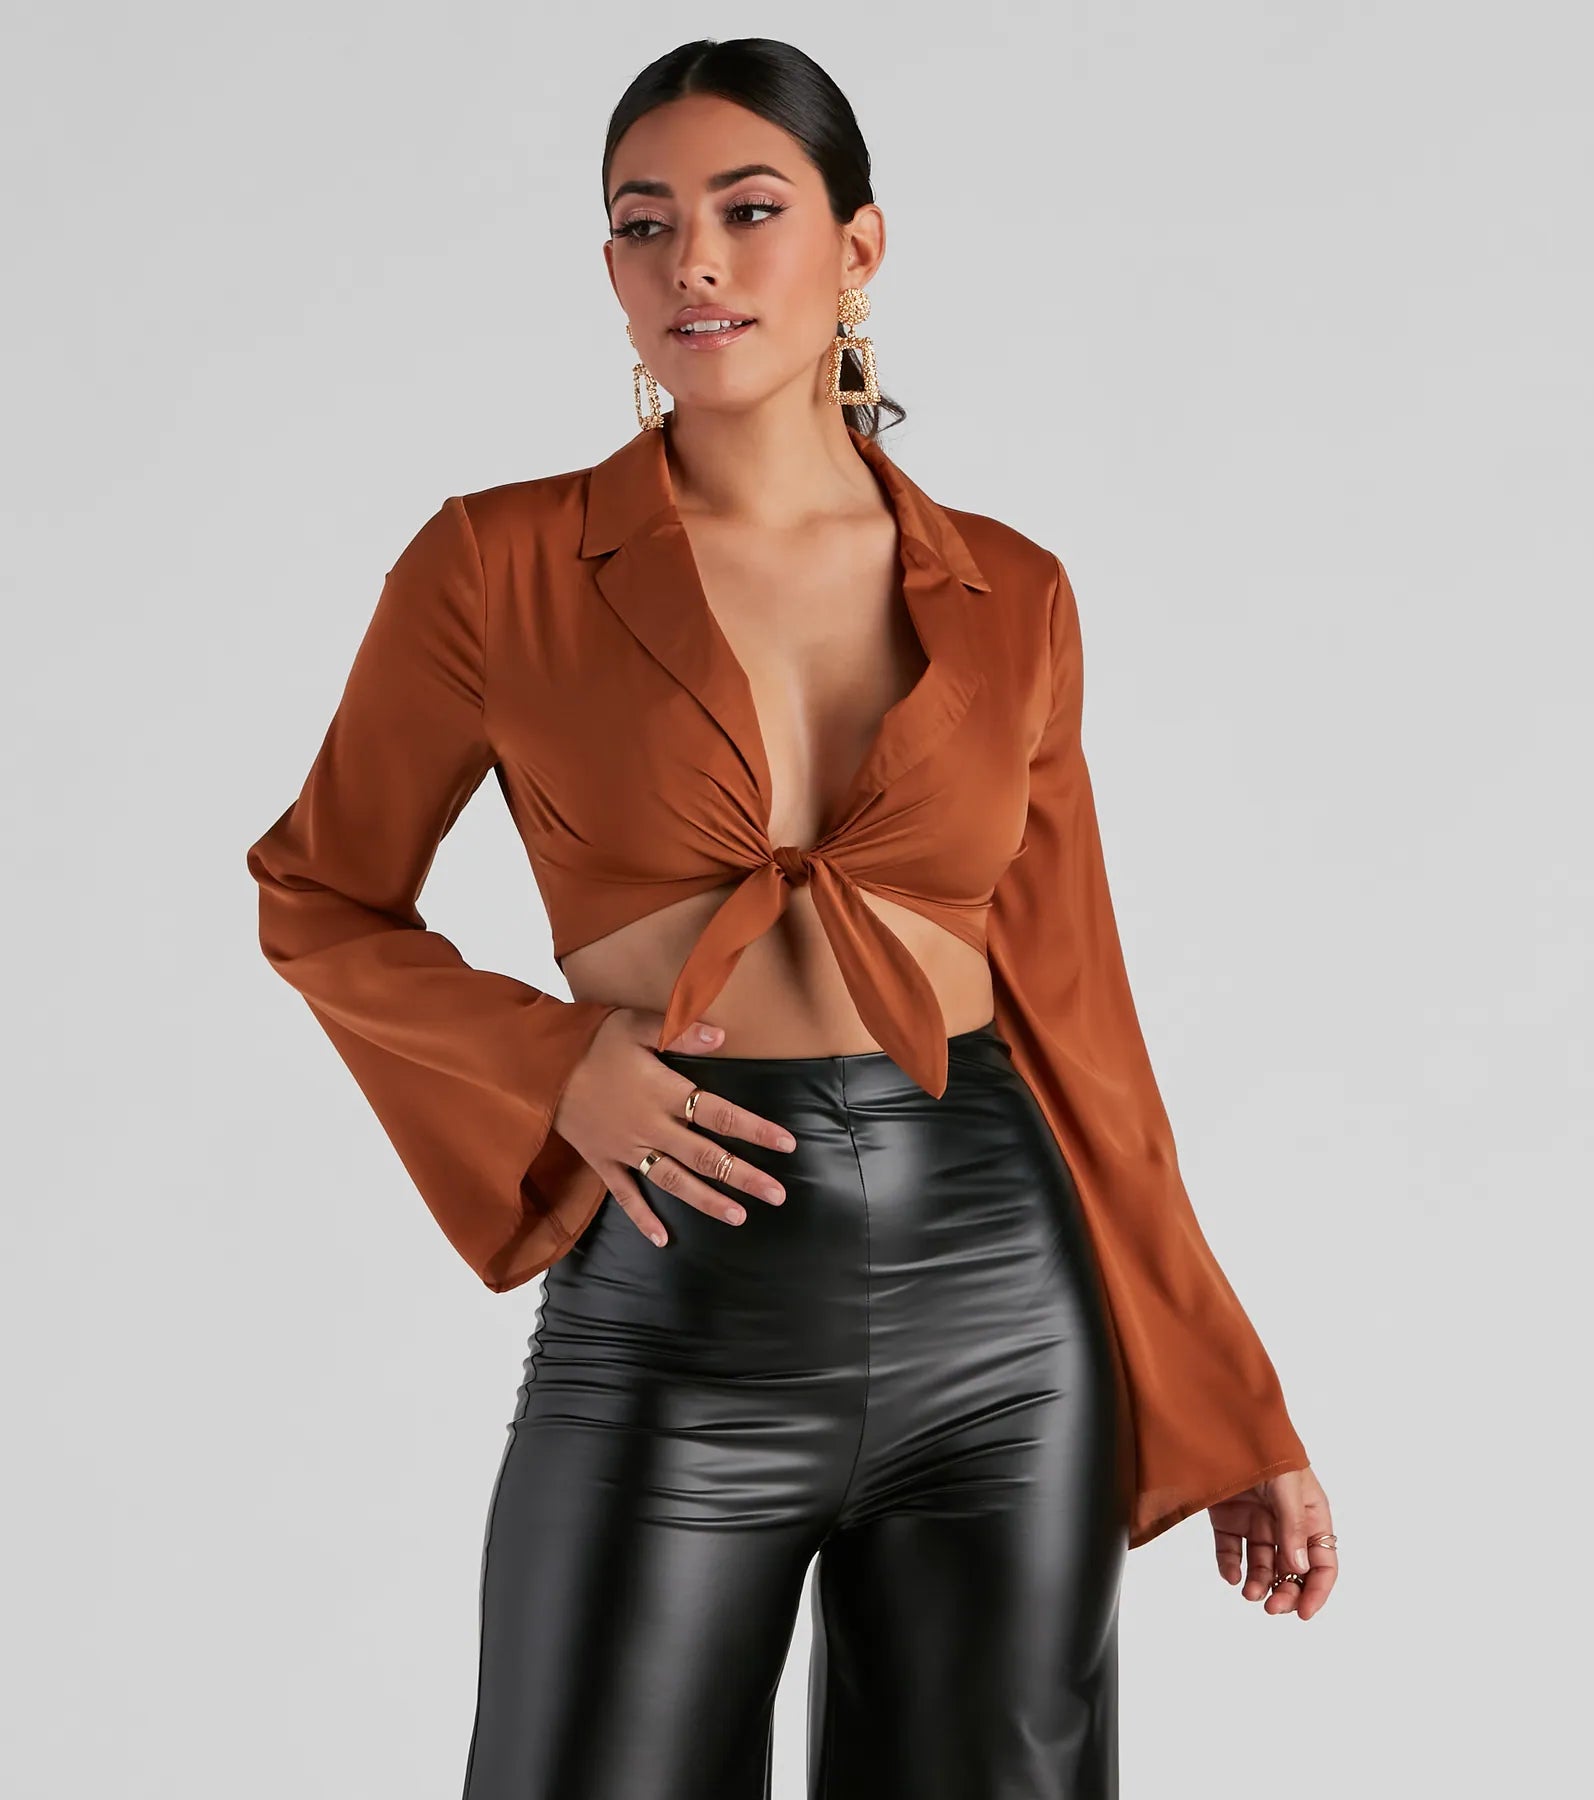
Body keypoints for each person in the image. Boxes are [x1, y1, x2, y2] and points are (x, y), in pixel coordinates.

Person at [245, 36, 1337, 1800]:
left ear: (858, 247)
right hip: (680, 1284)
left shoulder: (1012, 592)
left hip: (1003, 1301)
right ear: (610, 268)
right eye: (642, 222)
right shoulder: (495, 567)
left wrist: (1235, 1401)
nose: (693, 258)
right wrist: (558, 1067)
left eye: (748, 210)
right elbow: (318, 896)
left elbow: (1080, 1021)